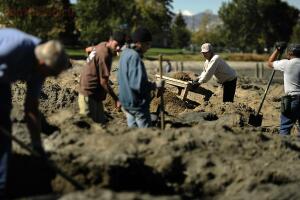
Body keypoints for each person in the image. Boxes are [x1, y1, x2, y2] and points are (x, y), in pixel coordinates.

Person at [0, 28, 70, 198]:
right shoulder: (15, 47)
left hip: (2, 82)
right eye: (52, 74)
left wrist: (37, 145)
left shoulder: (40, 68)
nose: (51, 78)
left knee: (3, 133)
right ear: (42, 64)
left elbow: (31, 107)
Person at [118, 27, 164, 128]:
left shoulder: (125, 54)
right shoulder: (134, 57)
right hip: (136, 103)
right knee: (145, 134)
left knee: (133, 133)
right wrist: (155, 85)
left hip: (126, 101)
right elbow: (138, 85)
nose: (149, 47)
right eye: (148, 44)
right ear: (139, 43)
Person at [78, 31, 126, 123]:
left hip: (95, 94)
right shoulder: (105, 55)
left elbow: (88, 49)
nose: (118, 48)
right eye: (116, 44)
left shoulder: (102, 44)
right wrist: (116, 99)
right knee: (88, 124)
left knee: (101, 122)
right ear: (111, 40)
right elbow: (103, 82)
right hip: (88, 92)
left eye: (120, 45)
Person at [267, 43, 300, 136]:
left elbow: (270, 63)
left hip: (292, 100)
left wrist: (277, 50)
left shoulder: (286, 63)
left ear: (289, 53)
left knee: (285, 127)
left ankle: (284, 147)